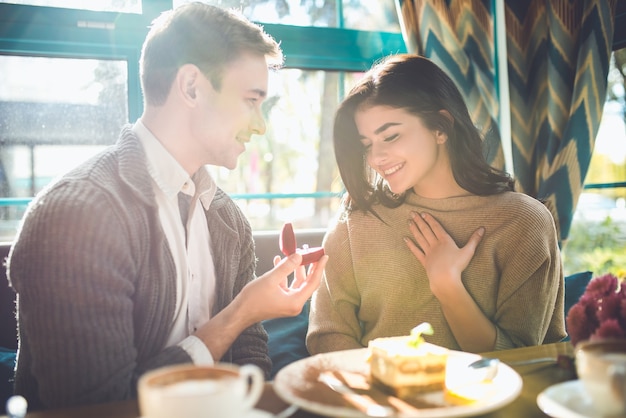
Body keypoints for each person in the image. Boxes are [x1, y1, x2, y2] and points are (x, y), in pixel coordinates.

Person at [6, 2, 328, 411]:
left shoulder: (228, 219)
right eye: (251, 99)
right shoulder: (76, 216)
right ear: (191, 86)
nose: (261, 124)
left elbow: (252, 364)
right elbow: (98, 408)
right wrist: (239, 313)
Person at [306, 54, 565, 355]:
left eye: (390, 136)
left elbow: (519, 359)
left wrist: (447, 286)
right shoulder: (358, 216)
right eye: (367, 145)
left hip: (484, 399)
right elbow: (327, 333)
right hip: (372, 397)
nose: (376, 158)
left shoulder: (523, 222)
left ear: (441, 126)